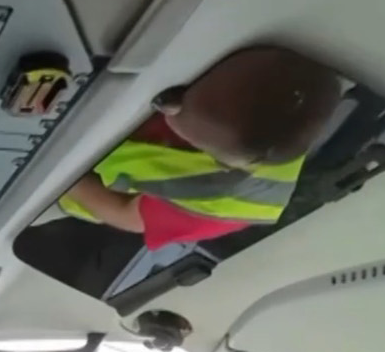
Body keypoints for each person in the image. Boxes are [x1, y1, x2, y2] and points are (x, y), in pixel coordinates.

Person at [52, 46, 346, 250]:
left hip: (77, 183)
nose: (170, 108)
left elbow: (126, 215)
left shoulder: (212, 204)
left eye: (177, 109)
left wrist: (59, 176)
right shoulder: (284, 96)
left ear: (222, 158)